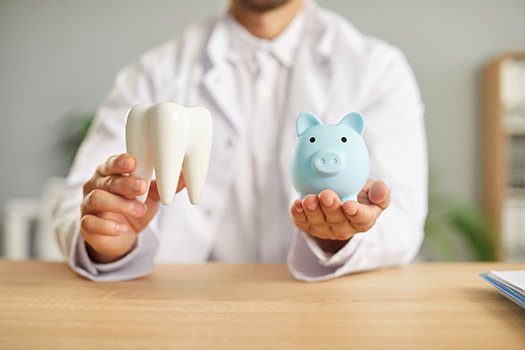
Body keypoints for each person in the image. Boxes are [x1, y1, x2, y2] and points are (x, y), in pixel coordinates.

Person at [53, 0, 428, 282]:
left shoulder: (376, 69)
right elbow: (78, 203)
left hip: (318, 311)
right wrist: (109, 239)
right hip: (176, 310)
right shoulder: (155, 73)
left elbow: (402, 223)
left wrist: (337, 238)